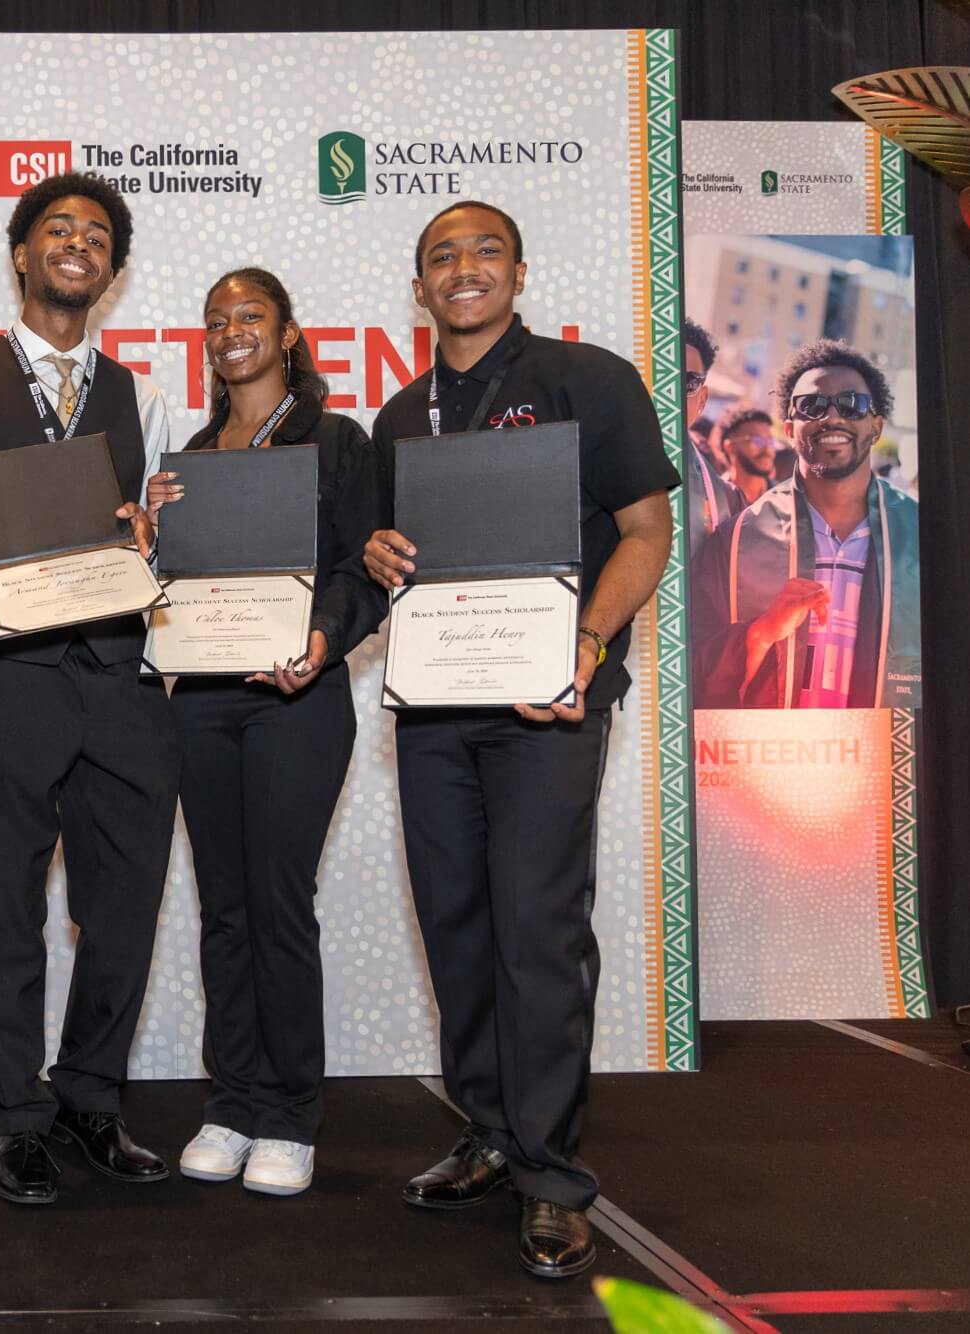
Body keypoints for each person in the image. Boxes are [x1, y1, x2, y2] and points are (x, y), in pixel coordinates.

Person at [359, 201, 677, 1278]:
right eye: (441, 257)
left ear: (520, 271)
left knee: (537, 933)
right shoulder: (402, 417)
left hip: (548, 703)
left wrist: (587, 642)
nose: (463, 269)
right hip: (438, 710)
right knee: (455, 926)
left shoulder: (589, 381)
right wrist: (378, 553)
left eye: (484, 251)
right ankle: (489, 1129)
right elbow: (389, 565)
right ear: (417, 287)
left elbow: (646, 531)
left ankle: (551, 1174)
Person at [0, 171, 177, 1207]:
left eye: (97, 234)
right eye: (57, 228)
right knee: (10, 898)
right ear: (21, 254)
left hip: (118, 670)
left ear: (111, 269)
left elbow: (149, 537)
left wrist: (152, 538)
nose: (77, 243)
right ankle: (16, 1116)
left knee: (125, 898)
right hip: (9, 669)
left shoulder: (144, 396)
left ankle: (92, 1098)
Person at [142, 268, 377, 1197]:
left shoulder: (338, 440)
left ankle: (290, 1114)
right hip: (201, 699)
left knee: (278, 904)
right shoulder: (193, 455)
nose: (231, 330)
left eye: (251, 316)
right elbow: (179, 590)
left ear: (287, 334)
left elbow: (367, 570)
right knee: (222, 906)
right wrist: (146, 539)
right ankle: (232, 1099)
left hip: (297, 699)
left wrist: (323, 639)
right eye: (216, 321)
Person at [690, 339, 918, 709]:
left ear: (876, 426)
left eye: (852, 404)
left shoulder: (923, 538)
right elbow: (689, 666)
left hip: (888, 758)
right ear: (789, 427)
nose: (832, 417)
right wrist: (758, 634)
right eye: (811, 406)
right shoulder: (736, 540)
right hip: (770, 758)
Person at [681, 321, 741, 563]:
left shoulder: (726, 499)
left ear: (703, 400)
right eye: (660, 375)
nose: (668, 391)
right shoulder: (590, 469)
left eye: (688, 382)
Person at [718, 404, 778, 507]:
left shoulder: (783, 500)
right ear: (730, 447)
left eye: (770, 441)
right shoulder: (714, 498)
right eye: (757, 440)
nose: (766, 448)